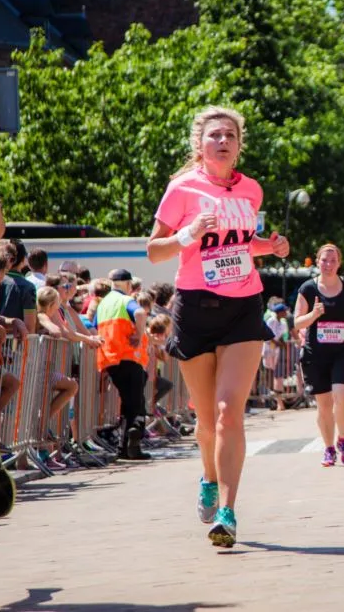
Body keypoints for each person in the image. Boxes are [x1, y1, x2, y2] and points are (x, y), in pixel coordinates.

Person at [146, 106, 289, 548]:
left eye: (230, 135)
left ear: (238, 144)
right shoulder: (181, 189)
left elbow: (241, 243)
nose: (223, 141)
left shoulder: (251, 191)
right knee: (206, 420)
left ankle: (226, 510)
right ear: (200, 144)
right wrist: (188, 234)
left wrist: (272, 246)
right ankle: (208, 476)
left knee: (230, 413)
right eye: (214, 136)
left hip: (243, 306)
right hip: (195, 308)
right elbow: (154, 251)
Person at [293, 244, 344, 467]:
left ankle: (343, 440)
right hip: (316, 353)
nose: (328, 264)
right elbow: (297, 323)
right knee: (324, 404)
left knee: (343, 396)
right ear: (317, 262)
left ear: (339, 263)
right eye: (324, 260)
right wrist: (313, 315)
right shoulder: (308, 289)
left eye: (332, 260)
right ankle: (328, 448)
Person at [94, 269, 151, 461]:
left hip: (110, 359)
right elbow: (141, 313)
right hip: (129, 356)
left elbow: (94, 325)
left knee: (128, 403)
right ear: (127, 284)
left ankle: (123, 448)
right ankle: (134, 438)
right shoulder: (125, 300)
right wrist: (139, 334)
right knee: (136, 404)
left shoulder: (103, 304)